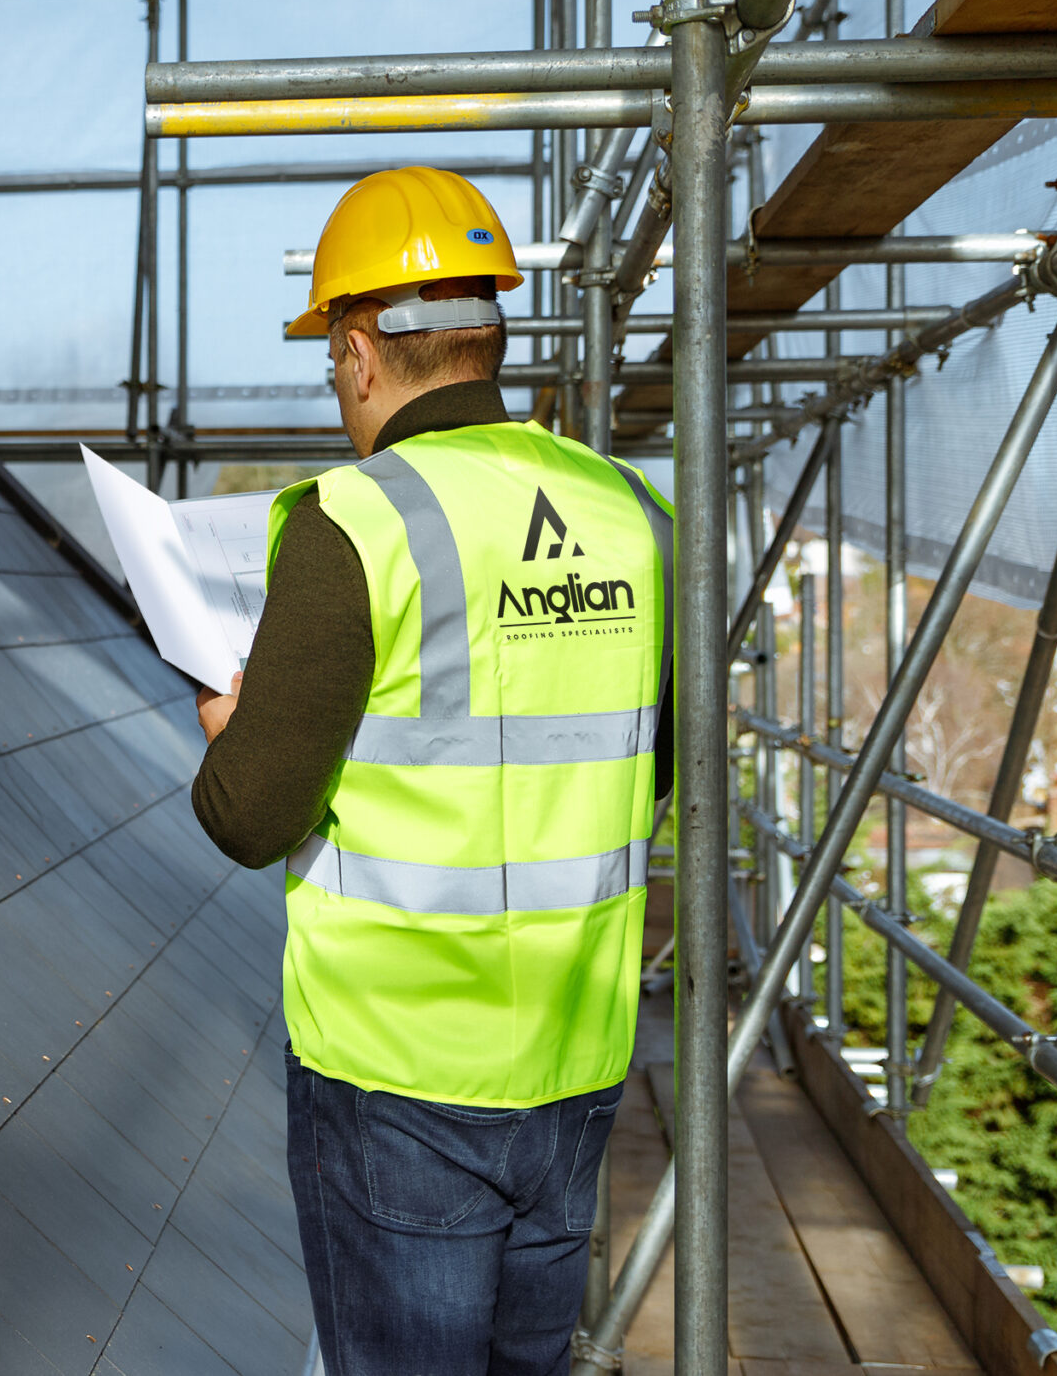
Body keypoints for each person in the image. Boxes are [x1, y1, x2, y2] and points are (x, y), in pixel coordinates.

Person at [191, 168, 674, 1376]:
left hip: (396, 1075)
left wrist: (228, 731)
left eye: (329, 363)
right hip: (574, 1063)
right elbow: (642, 769)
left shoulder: (352, 521)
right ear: (485, 338)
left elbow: (250, 815)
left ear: (360, 353)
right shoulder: (633, 513)